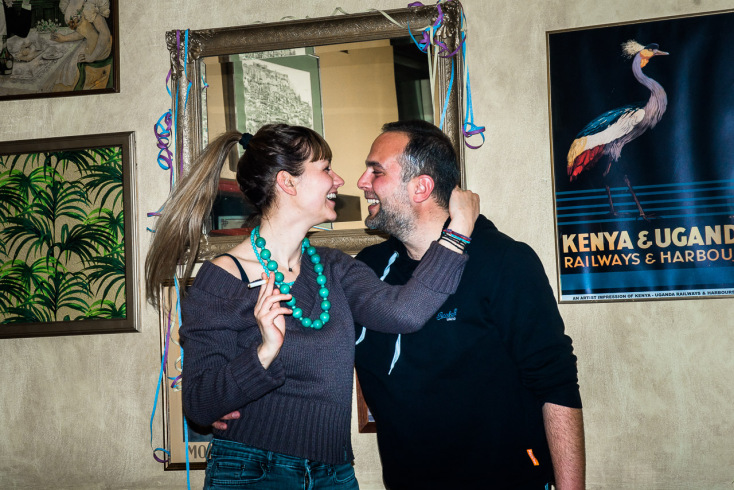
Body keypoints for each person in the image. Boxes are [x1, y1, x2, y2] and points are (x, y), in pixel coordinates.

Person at [214, 121, 584, 489]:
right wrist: (228, 393)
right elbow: (303, 342)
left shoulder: (504, 262)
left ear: (421, 187)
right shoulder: (367, 268)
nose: (360, 182)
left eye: (375, 171)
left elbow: (556, 383)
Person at [145, 123, 480, 489]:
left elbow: (405, 312)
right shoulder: (223, 280)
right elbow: (200, 405)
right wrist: (264, 353)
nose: (339, 180)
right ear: (288, 183)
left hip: (334, 474)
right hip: (251, 471)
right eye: (325, 168)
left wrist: (458, 232)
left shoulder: (335, 268)